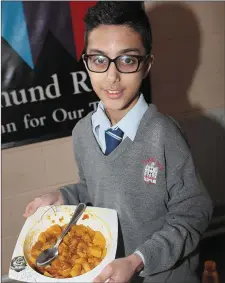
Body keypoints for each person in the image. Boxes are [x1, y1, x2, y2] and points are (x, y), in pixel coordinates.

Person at [24, 2, 213, 282]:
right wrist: (63, 196)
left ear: (146, 65)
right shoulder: (82, 133)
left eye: (127, 60)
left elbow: (194, 212)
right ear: (86, 62)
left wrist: (138, 259)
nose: (112, 76)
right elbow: (95, 188)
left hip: (165, 275)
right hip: (108, 270)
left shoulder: (164, 135)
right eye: (99, 60)